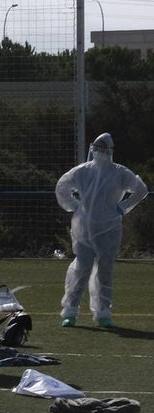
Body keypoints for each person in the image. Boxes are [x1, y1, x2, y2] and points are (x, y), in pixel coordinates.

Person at [56, 133, 148, 328]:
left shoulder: (119, 172)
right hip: (84, 229)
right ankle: (70, 311)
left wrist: (123, 207)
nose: (100, 151)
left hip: (109, 229)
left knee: (105, 270)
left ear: (110, 151)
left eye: (103, 147)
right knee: (82, 269)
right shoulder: (82, 171)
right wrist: (75, 206)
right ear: (92, 148)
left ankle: (103, 312)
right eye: (97, 147)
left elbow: (141, 189)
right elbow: (62, 186)